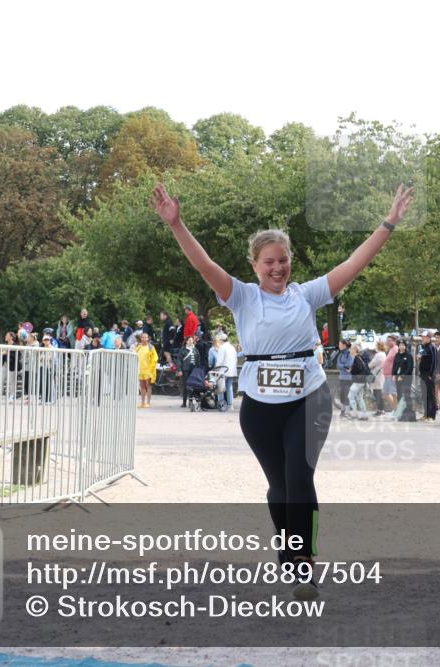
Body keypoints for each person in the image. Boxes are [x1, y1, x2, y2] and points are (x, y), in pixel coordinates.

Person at [151, 180, 414, 601]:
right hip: (260, 407)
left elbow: (355, 262)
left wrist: (389, 222)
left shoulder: (307, 295)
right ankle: (289, 553)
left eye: (284, 260)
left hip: (309, 398)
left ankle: (304, 564)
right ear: (255, 265)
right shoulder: (241, 296)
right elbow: (204, 265)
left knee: (299, 477)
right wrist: (176, 224)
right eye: (269, 262)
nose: (278, 268)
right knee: (279, 487)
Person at [392, 338, 416, 421]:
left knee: (406, 395)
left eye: (403, 345)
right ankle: (401, 412)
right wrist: (394, 375)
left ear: (405, 346)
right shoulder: (397, 355)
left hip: (406, 378)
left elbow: (409, 368)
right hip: (397, 378)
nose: (401, 346)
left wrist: (402, 376)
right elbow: (394, 366)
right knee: (399, 395)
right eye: (400, 345)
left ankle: (408, 412)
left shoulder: (408, 356)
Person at [417, 330, 437, 422]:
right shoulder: (423, 347)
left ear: (428, 338)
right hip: (423, 373)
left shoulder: (432, 347)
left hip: (429, 374)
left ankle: (431, 416)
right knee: (424, 394)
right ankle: (426, 414)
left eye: (424, 337)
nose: (422, 338)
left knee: (430, 395)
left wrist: (431, 374)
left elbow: (434, 362)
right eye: (422, 337)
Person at [135, 332, 158, 409]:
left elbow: (155, 357)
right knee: (142, 386)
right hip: (140, 369)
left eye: (145, 337)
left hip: (148, 370)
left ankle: (148, 402)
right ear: (141, 338)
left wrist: (151, 367)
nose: (144, 339)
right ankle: (142, 402)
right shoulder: (138, 346)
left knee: (148, 386)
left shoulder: (151, 347)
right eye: (143, 337)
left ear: (148, 338)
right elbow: (134, 354)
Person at [217, 333, 239, 411]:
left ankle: (222, 405)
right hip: (232, 371)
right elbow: (236, 360)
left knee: (220, 388)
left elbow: (220, 360)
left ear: (221, 340)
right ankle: (230, 405)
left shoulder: (222, 348)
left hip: (223, 370)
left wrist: (216, 369)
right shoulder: (232, 347)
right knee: (229, 387)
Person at [347, 343, 369, 416]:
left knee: (350, 396)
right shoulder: (359, 357)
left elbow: (359, 368)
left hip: (358, 381)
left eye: (351, 349)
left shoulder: (356, 358)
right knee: (359, 397)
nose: (349, 350)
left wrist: (351, 370)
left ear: (354, 350)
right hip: (361, 381)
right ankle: (364, 414)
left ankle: (355, 413)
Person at [178, 336, 200, 408]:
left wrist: (198, 370)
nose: (191, 341)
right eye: (189, 340)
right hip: (185, 370)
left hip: (193, 370)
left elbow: (198, 360)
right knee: (185, 385)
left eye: (192, 340)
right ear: (186, 341)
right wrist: (179, 370)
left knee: (193, 385)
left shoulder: (195, 349)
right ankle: (184, 402)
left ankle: (191, 401)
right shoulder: (183, 350)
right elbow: (179, 360)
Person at [368, 340, 387, 416]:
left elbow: (371, 364)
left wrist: (369, 365)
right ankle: (381, 409)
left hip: (377, 375)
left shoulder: (378, 355)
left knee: (377, 393)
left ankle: (380, 410)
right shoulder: (384, 354)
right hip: (380, 374)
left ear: (379, 346)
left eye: (376, 345)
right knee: (379, 392)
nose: (375, 347)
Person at [381, 335, 399, 413]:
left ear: (394, 341)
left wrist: (395, 374)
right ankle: (395, 410)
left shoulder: (395, 349)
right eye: (387, 340)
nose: (387, 342)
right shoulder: (391, 349)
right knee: (385, 394)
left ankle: (396, 410)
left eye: (389, 340)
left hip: (391, 375)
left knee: (393, 394)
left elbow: (397, 363)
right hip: (387, 376)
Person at [335, 339, 352, 416]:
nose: (339, 346)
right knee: (342, 394)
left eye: (340, 344)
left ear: (344, 345)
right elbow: (337, 365)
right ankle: (343, 410)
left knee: (346, 394)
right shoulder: (340, 354)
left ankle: (347, 411)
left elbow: (348, 365)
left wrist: (343, 365)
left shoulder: (349, 353)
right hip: (342, 377)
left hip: (349, 378)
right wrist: (344, 366)